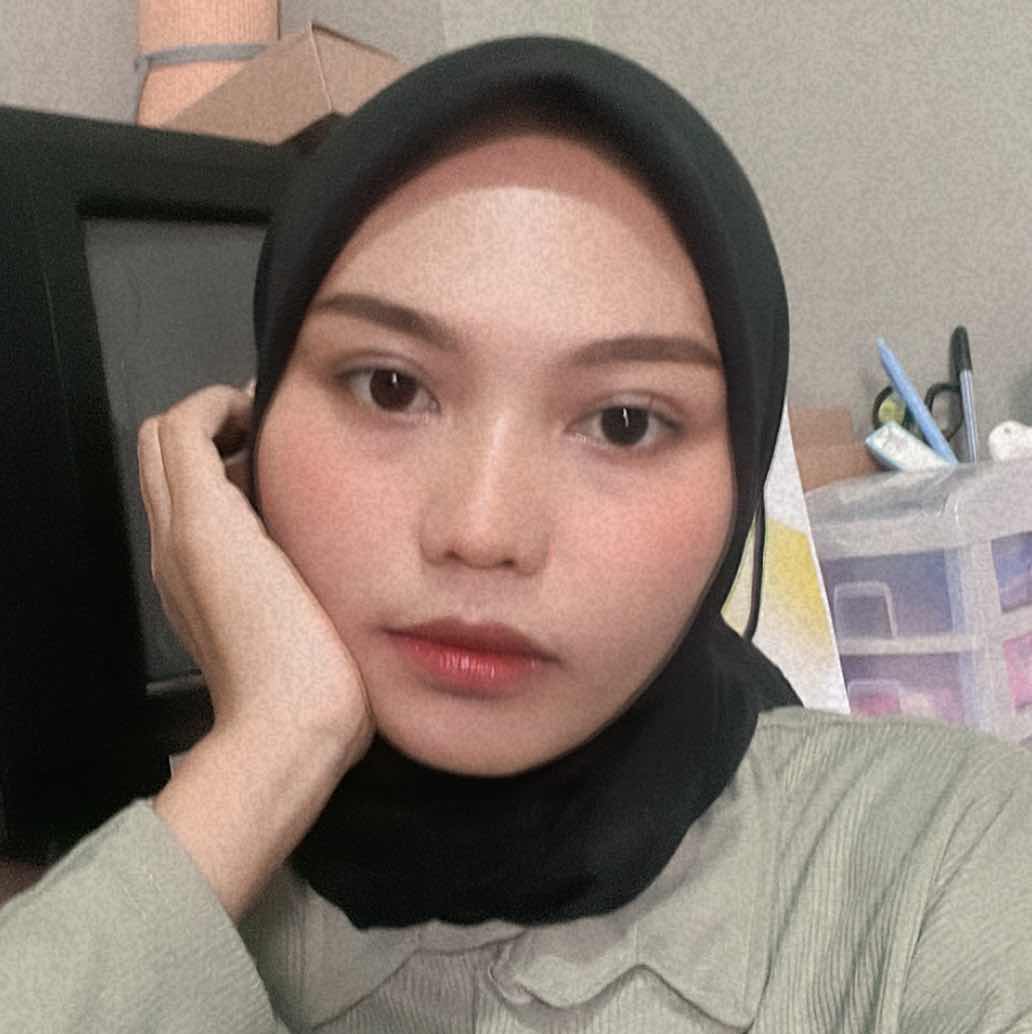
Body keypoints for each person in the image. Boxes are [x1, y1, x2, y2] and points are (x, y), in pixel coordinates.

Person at [2, 35, 1031, 1034]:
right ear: (251, 439)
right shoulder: (156, 884)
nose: (482, 530)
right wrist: (270, 748)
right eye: (390, 385)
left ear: (739, 478)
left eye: (624, 421)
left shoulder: (944, 860)